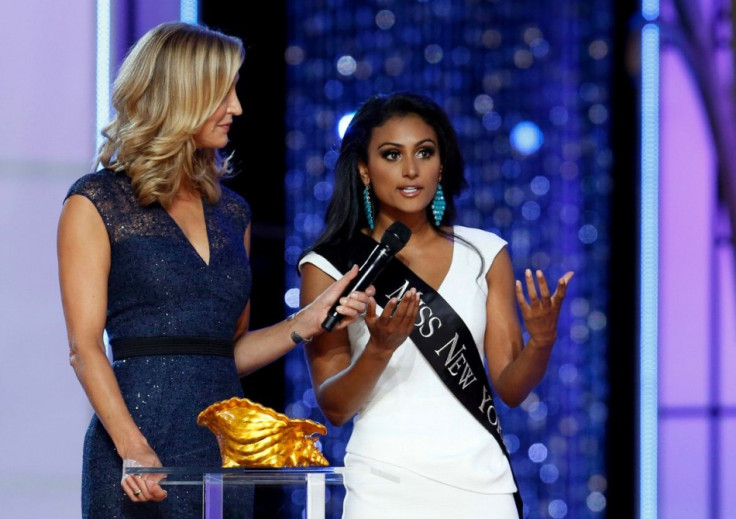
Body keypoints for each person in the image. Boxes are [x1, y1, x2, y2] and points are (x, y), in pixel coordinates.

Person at [57, 21, 373, 519]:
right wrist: (133, 448)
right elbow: (85, 348)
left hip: (220, 453)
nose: (237, 107)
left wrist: (304, 323)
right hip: (137, 453)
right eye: (223, 91)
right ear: (182, 93)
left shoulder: (232, 214)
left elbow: (227, 355)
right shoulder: (96, 202)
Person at [298, 91, 574, 519]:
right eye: (391, 155)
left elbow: (511, 389)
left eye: (424, 153)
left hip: (481, 488)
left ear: (441, 164)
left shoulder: (485, 253)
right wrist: (379, 349)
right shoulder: (329, 266)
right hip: (384, 486)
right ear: (363, 170)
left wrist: (541, 341)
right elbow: (334, 407)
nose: (411, 170)